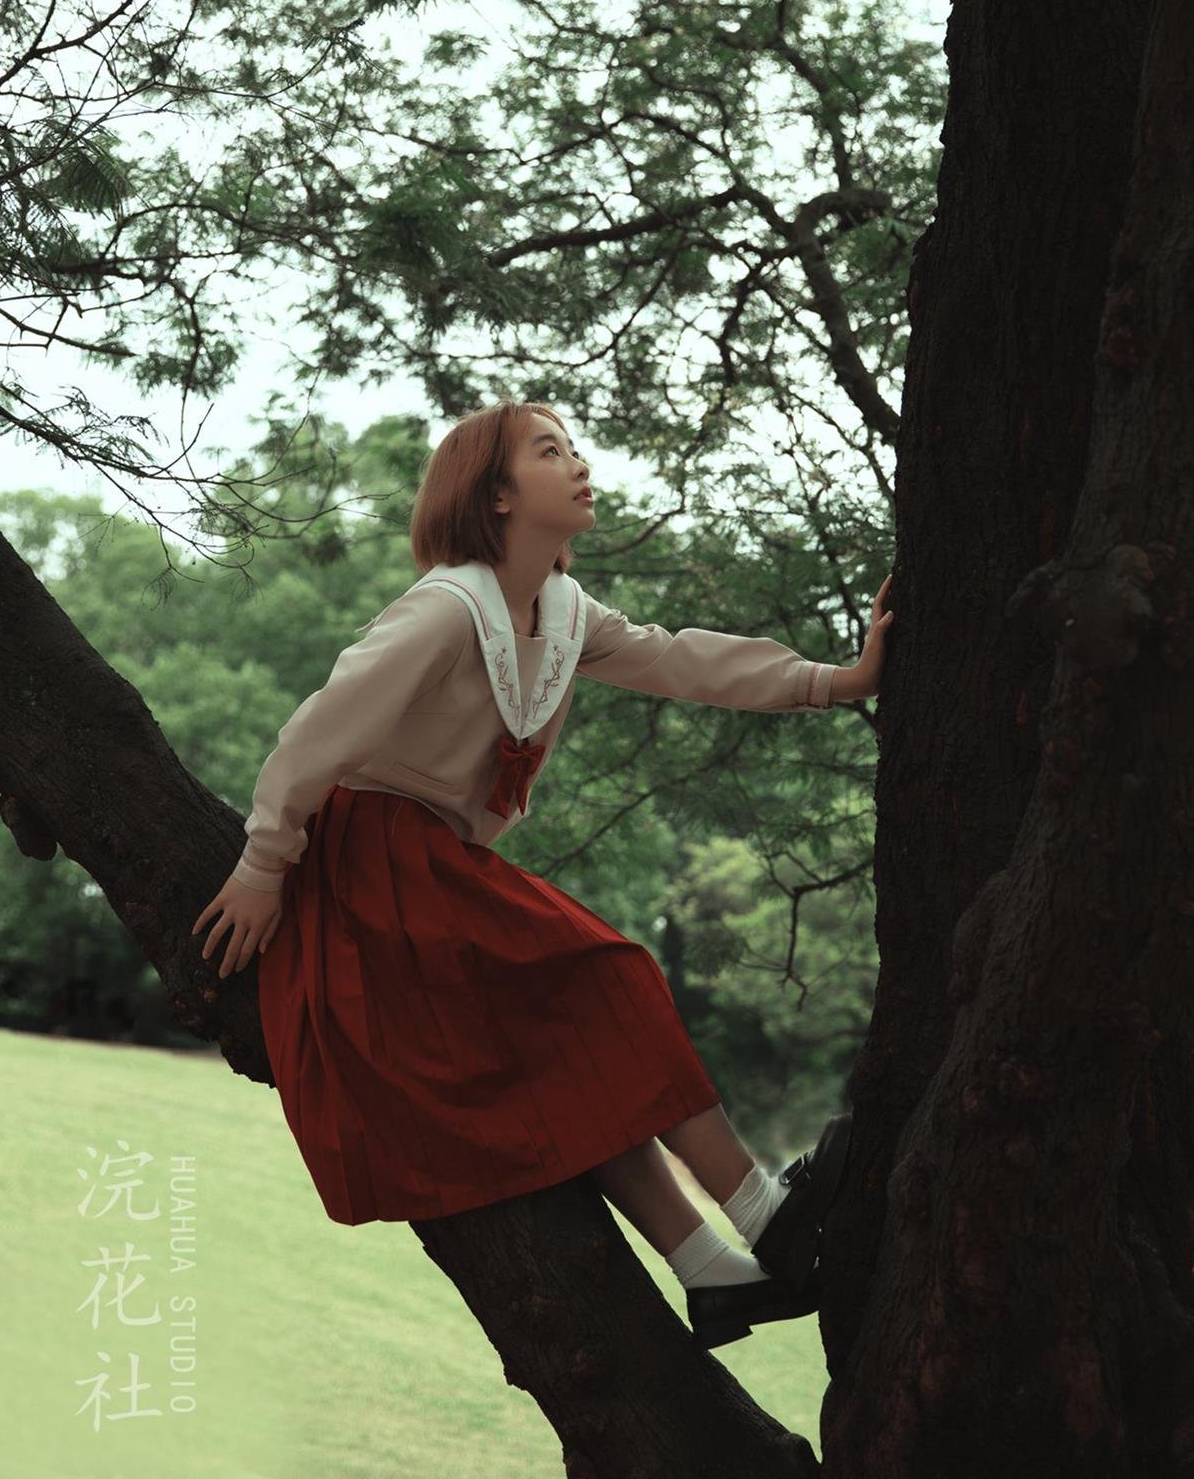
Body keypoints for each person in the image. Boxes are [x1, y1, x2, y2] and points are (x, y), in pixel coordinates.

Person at [192, 399, 894, 1350]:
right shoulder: (444, 610)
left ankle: (713, 1273)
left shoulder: (563, 614)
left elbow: (679, 662)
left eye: (572, 448)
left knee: (578, 1054)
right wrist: (262, 864)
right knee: (610, 978)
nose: (577, 464)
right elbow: (314, 736)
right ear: (494, 495)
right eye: (549, 450)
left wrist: (838, 681)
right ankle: (765, 1214)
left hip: (434, 866)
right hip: (369, 865)